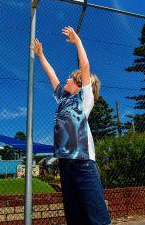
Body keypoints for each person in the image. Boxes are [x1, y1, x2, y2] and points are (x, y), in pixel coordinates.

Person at [31, 26, 111, 225]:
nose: (65, 79)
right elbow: (52, 76)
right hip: (65, 165)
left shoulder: (84, 99)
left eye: (70, 78)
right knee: (74, 218)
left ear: (78, 84)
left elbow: (85, 66)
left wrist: (78, 42)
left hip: (83, 163)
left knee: (96, 219)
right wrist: (41, 55)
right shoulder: (63, 100)